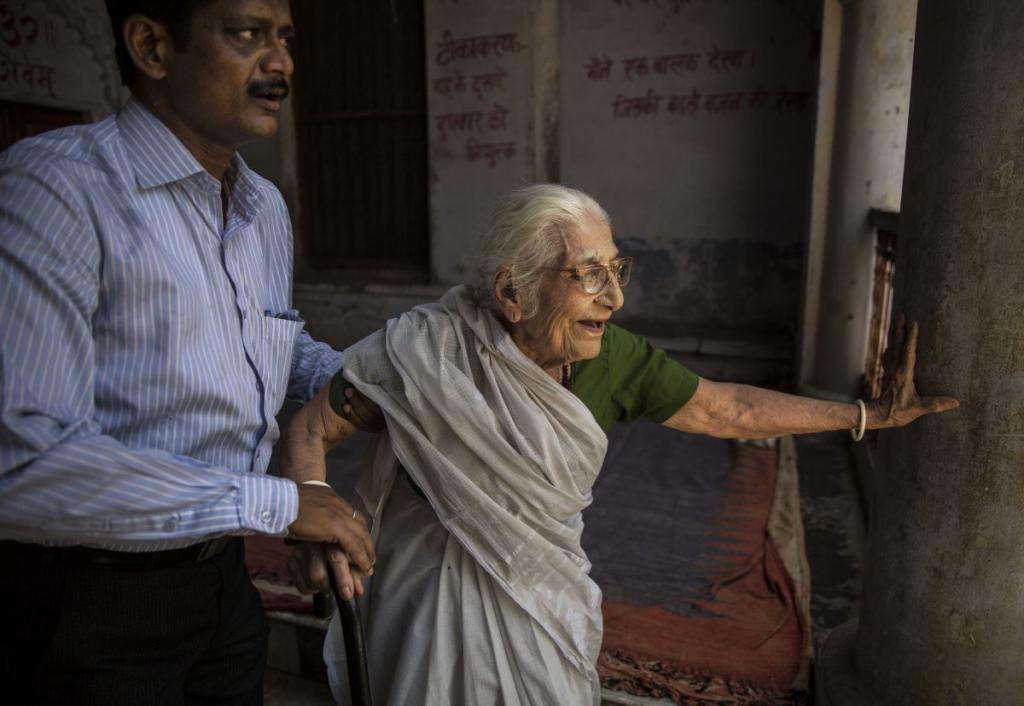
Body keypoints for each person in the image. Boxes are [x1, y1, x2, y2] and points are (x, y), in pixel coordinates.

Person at [281, 184, 959, 705]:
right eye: (588, 274)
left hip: (540, 597)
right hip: (428, 597)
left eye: (617, 269)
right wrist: (313, 502)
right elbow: (312, 426)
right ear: (512, 293)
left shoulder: (612, 359)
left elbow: (730, 408)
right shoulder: (425, 356)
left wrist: (864, 414)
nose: (615, 298)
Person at [0, 1, 374, 703]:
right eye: (247, 35)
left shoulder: (262, 208)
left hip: (221, 586)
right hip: (87, 602)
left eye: (285, 38)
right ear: (151, 45)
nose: (281, 62)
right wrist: (275, 504)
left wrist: (370, 385)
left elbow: (271, 340)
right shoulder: (57, 189)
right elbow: (23, 461)